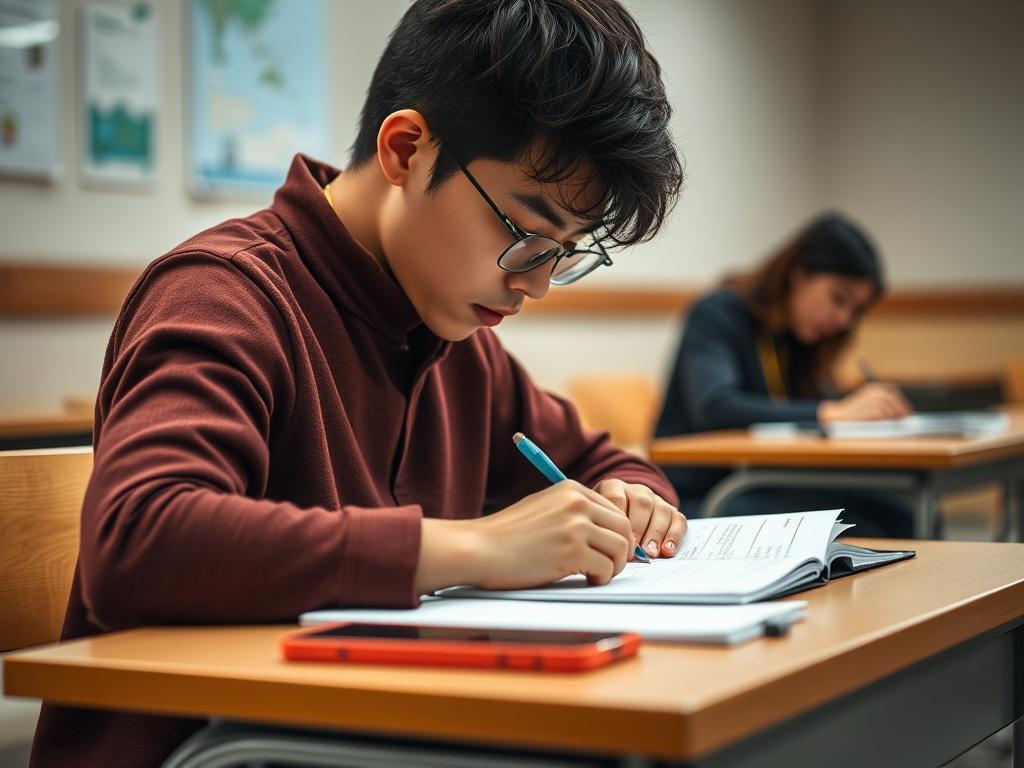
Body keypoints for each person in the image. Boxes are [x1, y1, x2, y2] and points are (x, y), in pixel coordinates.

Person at [31, 1, 686, 766]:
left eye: (566, 252)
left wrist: (633, 500)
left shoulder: (453, 332)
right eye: (524, 235)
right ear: (406, 148)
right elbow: (138, 540)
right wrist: (468, 547)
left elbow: (605, 462)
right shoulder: (224, 294)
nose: (537, 284)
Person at [654, 213, 914, 536]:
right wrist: (834, 413)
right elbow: (715, 406)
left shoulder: (796, 340)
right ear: (799, 273)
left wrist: (860, 409)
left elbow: (799, 409)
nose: (844, 319)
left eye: (855, 310)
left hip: (766, 483)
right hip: (706, 494)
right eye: (839, 299)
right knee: (870, 523)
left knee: (903, 511)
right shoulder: (719, 313)